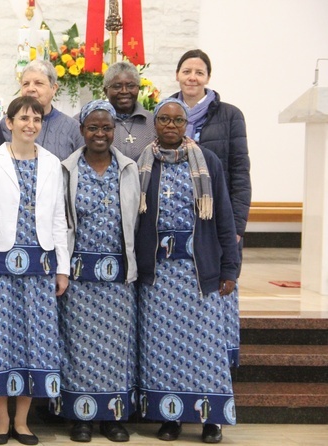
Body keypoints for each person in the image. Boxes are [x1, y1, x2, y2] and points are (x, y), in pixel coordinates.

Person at [135, 98, 239, 444]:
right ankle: (171, 417)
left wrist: (229, 269)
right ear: (155, 123)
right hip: (159, 276)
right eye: (163, 119)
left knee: (206, 346)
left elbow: (223, 217)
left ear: (186, 126)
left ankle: (212, 420)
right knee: (163, 348)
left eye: (177, 121)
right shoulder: (143, 163)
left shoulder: (206, 161)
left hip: (198, 271)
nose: (170, 125)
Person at [0, 96, 69, 446]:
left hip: (40, 268)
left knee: (36, 343)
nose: (30, 124)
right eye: (23, 118)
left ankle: (23, 422)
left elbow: (59, 219)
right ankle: (1, 422)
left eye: (37, 119)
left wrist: (62, 267)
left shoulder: (52, 163)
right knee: (1, 342)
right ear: (8, 122)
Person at [59, 100, 139, 443]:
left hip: (118, 277)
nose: (100, 134)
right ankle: (81, 418)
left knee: (114, 349)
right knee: (78, 348)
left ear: (115, 131)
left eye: (106, 127)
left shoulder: (130, 168)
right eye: (93, 127)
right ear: (82, 131)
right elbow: (59, 221)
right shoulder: (66, 169)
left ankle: (112, 417)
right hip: (78, 277)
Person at [171, 49, 251, 368]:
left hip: (218, 218)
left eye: (199, 72)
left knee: (218, 291)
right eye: (187, 71)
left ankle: (217, 366)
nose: (192, 77)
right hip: (177, 218)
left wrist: (237, 226)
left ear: (208, 77)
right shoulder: (167, 112)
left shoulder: (230, 115)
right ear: (177, 75)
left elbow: (240, 173)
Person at [1, 60, 83, 161]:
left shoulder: (72, 127)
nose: (30, 89)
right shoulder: (8, 123)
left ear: (54, 88)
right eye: (26, 84)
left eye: (38, 83)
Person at [103, 61, 156, 161]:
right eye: (117, 86)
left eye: (131, 86)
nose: (124, 91)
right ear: (105, 91)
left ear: (138, 88)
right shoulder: (90, 123)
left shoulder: (154, 122)